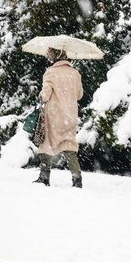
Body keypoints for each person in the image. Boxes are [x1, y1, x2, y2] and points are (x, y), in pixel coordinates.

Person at [32, 47, 84, 188]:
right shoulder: (75, 73)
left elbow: (45, 95)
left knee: (45, 144)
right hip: (70, 115)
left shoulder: (51, 72)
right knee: (69, 146)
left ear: (54, 57)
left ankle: (44, 177)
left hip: (54, 115)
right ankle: (77, 179)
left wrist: (40, 96)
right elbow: (79, 95)